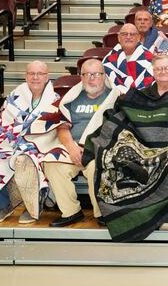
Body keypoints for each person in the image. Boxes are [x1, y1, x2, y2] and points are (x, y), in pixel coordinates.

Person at [83, 54, 168, 241]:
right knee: (117, 158)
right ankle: (136, 213)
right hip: (140, 147)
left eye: (167, 68)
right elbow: (122, 115)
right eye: (159, 69)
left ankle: (164, 214)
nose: (163, 72)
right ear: (153, 72)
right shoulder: (140, 96)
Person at [27, 59, 119, 227]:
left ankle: (102, 212)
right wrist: (71, 147)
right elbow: (61, 127)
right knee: (52, 163)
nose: (91, 78)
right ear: (81, 77)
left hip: (100, 149)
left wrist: (91, 148)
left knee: (97, 168)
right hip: (73, 148)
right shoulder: (70, 99)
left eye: (96, 74)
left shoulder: (116, 98)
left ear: (104, 76)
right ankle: (71, 212)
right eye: (86, 74)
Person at [0, 61, 57, 224]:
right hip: (12, 143)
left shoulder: (55, 100)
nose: (35, 77)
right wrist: (23, 132)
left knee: (26, 160)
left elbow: (53, 129)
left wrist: (27, 136)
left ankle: (33, 206)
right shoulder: (14, 97)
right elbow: (4, 125)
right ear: (26, 76)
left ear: (47, 77)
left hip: (41, 145)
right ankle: (3, 206)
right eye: (31, 73)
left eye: (40, 74)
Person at [102, 23, 154, 94]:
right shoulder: (108, 60)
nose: (128, 37)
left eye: (132, 34)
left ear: (138, 38)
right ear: (119, 38)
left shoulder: (150, 58)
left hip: (145, 98)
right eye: (124, 34)